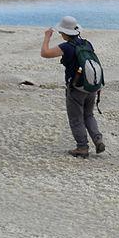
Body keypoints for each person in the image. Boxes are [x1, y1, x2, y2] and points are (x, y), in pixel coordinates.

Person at [40, 16, 105, 158]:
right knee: (88, 114)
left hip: (76, 88)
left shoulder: (66, 47)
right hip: (91, 86)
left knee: (76, 118)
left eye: (60, 32)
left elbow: (44, 53)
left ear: (64, 33)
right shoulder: (87, 44)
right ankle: (97, 139)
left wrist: (47, 37)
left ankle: (82, 147)